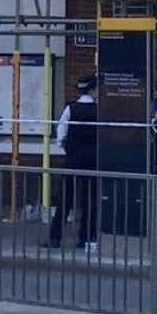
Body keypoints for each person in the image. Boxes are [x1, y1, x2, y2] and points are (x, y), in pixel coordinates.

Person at [48, 73, 100, 251]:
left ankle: (55, 237)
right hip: (93, 159)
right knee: (89, 200)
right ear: (92, 89)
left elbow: (61, 134)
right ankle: (84, 239)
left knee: (65, 198)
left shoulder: (71, 108)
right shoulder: (99, 110)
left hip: (73, 159)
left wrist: (69, 150)